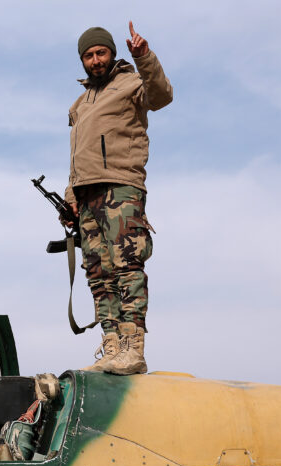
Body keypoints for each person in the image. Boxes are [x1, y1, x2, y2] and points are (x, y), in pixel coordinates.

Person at [65, 22, 172, 375]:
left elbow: (161, 95)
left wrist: (144, 57)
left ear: (112, 53)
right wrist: (70, 196)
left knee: (127, 266)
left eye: (101, 53)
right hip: (87, 194)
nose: (95, 60)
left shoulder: (131, 83)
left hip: (120, 187)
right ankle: (111, 347)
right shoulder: (81, 103)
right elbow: (77, 156)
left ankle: (132, 347)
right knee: (98, 273)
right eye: (89, 55)